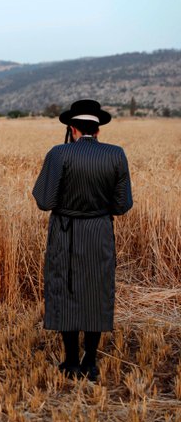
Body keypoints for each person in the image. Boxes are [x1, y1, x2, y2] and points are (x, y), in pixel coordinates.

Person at [33, 99, 133, 381]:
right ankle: (90, 361)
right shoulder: (116, 155)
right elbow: (122, 204)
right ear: (98, 130)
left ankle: (70, 360)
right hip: (99, 230)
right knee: (96, 290)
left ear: (72, 128)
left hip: (65, 230)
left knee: (64, 290)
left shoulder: (58, 153)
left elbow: (44, 200)